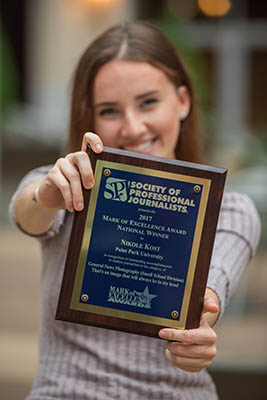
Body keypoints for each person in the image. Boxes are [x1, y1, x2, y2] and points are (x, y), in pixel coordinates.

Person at [10, 22, 261, 400]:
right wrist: (45, 196)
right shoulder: (64, 183)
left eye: (148, 102)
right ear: (89, 117)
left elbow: (209, 297)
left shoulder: (229, 210)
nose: (132, 127)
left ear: (183, 101)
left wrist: (196, 337)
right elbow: (26, 213)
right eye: (109, 110)